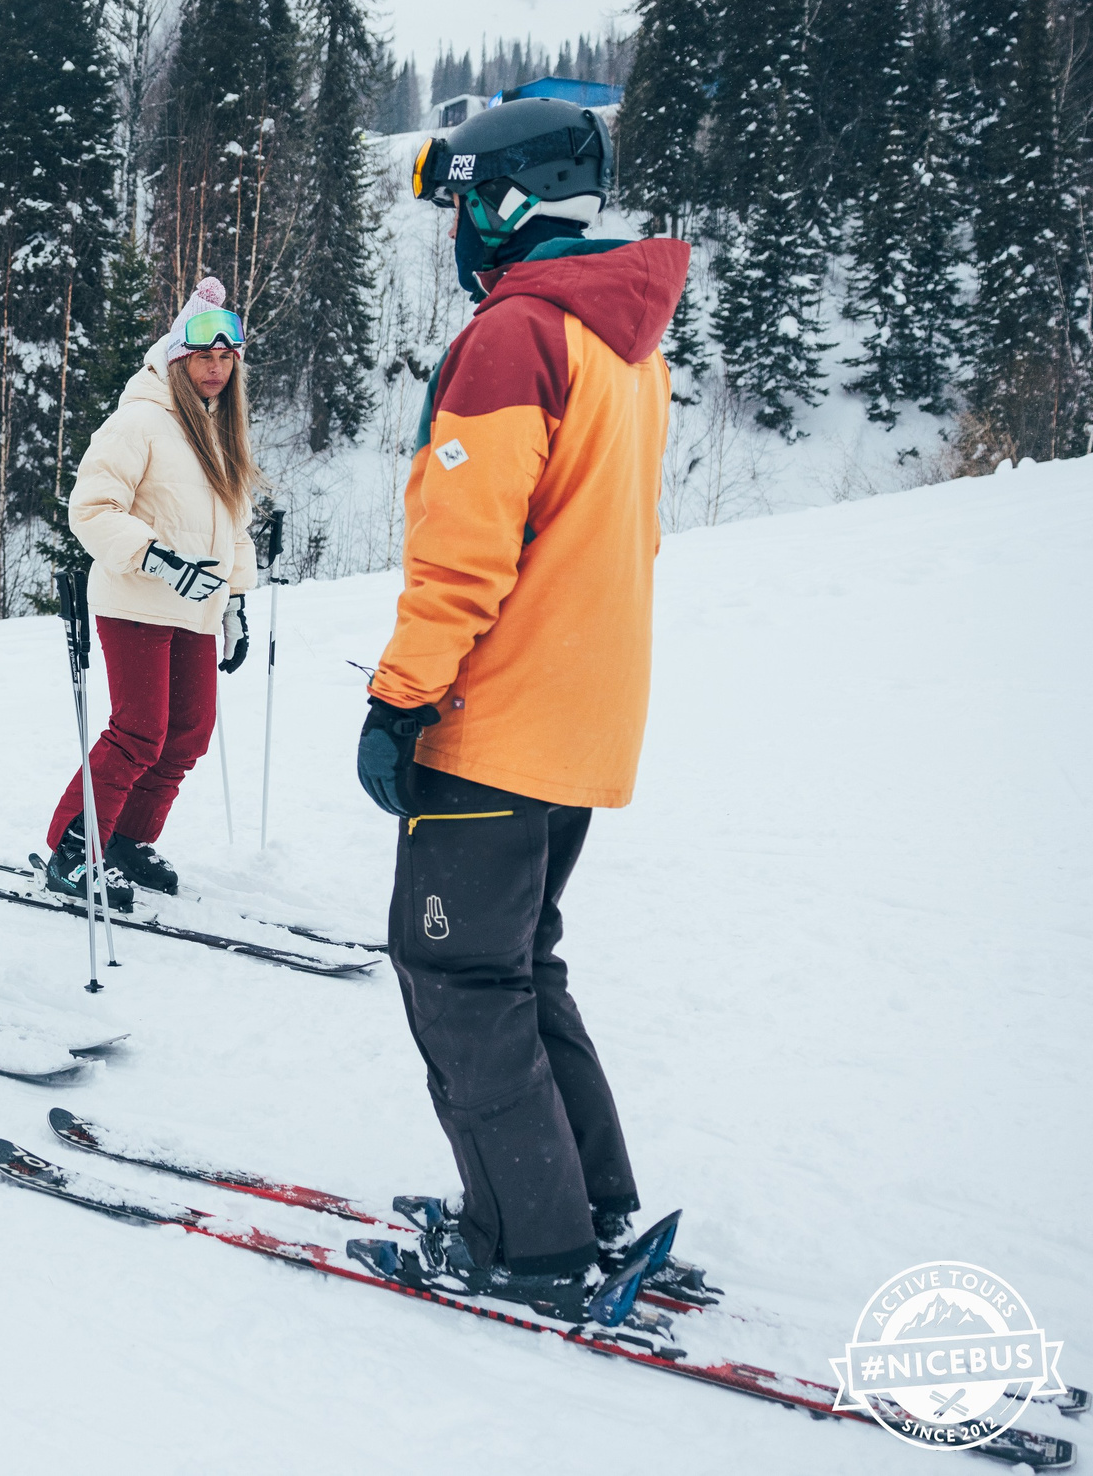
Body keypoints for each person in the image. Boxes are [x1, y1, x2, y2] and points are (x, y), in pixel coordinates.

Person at [359, 98, 690, 1320]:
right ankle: (589, 1199)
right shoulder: (623, 340)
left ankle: (532, 1245)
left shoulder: (516, 337)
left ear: (503, 198)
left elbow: (464, 556)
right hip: (581, 719)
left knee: (453, 970)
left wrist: (400, 701)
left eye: (459, 200)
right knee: (516, 964)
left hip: (496, 720)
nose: (455, 227)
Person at [40, 275, 260, 909]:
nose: (215, 370)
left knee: (188, 734)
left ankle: (129, 840)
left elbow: (235, 526)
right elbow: (92, 508)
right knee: (139, 731)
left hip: (198, 607)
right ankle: (73, 850)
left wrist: (236, 603)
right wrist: (159, 561)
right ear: (177, 360)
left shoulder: (221, 428)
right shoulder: (139, 420)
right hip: (135, 600)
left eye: (225, 359)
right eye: (202, 359)